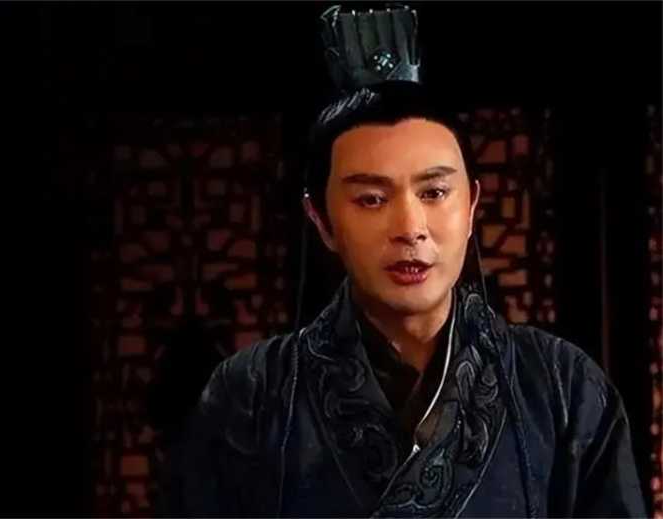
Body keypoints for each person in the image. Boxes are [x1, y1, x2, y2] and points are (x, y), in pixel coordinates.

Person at [161, 6, 646, 518]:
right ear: (321, 220)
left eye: (434, 192)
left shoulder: (563, 388)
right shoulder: (249, 396)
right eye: (371, 199)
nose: (410, 227)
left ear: (471, 207)